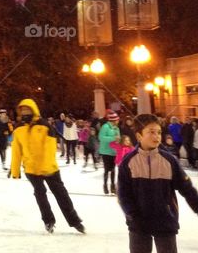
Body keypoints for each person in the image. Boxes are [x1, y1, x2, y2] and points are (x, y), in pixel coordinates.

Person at [117, 113, 198, 253]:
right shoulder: (128, 161)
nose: (156, 136)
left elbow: (187, 189)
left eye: (159, 132)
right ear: (139, 136)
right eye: (151, 132)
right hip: (138, 222)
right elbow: (123, 194)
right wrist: (133, 215)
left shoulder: (169, 160)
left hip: (165, 220)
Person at [10, 98, 85, 235]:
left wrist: (46, 167)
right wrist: (15, 170)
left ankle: (74, 221)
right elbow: (16, 151)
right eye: (23, 111)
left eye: (28, 110)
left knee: (61, 194)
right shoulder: (19, 129)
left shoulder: (45, 126)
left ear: (34, 110)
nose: (25, 113)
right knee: (40, 194)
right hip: (31, 169)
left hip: (49, 168)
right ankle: (48, 220)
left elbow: (50, 149)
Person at [99, 110, 122, 194]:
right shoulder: (105, 127)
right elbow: (101, 137)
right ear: (113, 120)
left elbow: (118, 138)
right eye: (117, 120)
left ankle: (113, 186)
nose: (118, 121)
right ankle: (105, 185)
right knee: (106, 170)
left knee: (113, 170)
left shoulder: (117, 128)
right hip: (106, 151)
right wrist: (113, 139)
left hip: (114, 152)